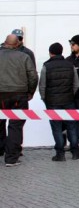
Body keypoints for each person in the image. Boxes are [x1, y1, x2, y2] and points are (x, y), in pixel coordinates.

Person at [0, 34, 38, 167]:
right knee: (16, 125)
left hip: (1, 94)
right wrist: (30, 92)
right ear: (17, 44)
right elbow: (33, 76)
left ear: (4, 43)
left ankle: (1, 150)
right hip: (18, 94)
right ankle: (11, 158)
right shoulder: (24, 57)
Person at [40, 42, 79, 161]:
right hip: (69, 100)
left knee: (56, 127)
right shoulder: (70, 65)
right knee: (72, 126)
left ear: (50, 52)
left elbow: (42, 86)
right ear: (61, 52)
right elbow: (76, 84)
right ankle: (75, 152)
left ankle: (60, 154)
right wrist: (71, 95)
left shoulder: (46, 66)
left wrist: (45, 99)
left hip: (52, 102)